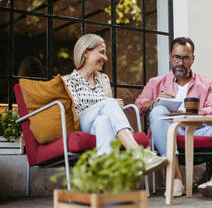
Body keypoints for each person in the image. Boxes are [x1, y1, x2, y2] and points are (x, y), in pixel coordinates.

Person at [135, 37, 212, 199]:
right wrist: (155, 100)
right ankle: (176, 178)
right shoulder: (156, 82)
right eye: (177, 57)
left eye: (185, 58)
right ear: (171, 57)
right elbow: (138, 106)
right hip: (169, 129)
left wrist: (192, 113)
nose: (180, 62)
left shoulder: (206, 83)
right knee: (158, 110)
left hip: (199, 128)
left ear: (193, 59)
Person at [62, 33, 167, 174]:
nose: (105, 58)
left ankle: (107, 177)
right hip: (80, 124)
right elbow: (74, 109)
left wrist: (107, 105)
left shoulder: (103, 79)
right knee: (109, 104)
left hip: (97, 123)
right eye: (101, 52)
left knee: (103, 121)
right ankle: (137, 154)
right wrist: (107, 103)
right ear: (86, 52)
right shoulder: (68, 80)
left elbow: (107, 112)